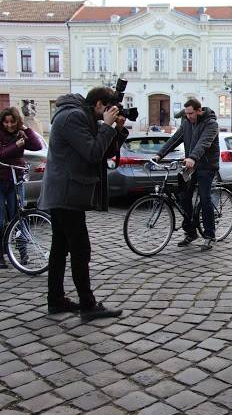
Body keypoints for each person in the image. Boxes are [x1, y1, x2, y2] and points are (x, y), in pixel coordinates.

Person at [39, 87, 127, 320]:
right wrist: (107, 126)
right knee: (80, 249)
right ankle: (88, 305)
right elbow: (92, 152)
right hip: (67, 193)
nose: (109, 113)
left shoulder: (79, 115)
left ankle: (55, 300)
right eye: (108, 109)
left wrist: (116, 129)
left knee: (60, 249)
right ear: (99, 104)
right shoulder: (73, 117)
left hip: (66, 192)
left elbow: (103, 150)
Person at [154, 98, 219, 251]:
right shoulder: (187, 123)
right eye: (186, 113)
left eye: (191, 113)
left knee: (205, 198)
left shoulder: (211, 124)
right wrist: (159, 155)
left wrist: (192, 157)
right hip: (192, 165)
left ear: (199, 110)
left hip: (207, 166)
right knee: (183, 196)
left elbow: (204, 143)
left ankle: (210, 235)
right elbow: (174, 139)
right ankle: (191, 232)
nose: (188, 116)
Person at [0, 107, 43, 268]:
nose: (9, 125)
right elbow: (2, 154)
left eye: (12, 122)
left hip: (15, 180)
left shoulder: (21, 133)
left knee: (18, 217)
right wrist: (16, 146)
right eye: (6, 122)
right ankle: (1, 257)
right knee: (0, 220)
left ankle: (22, 254)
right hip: (1, 180)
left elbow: (37, 146)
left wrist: (25, 129)